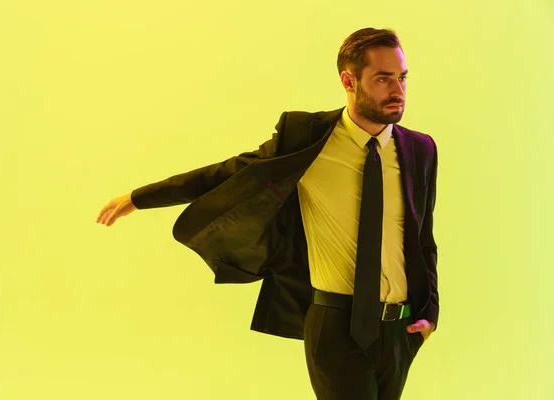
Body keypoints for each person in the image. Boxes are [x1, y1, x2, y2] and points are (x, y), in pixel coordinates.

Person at [96, 27, 439, 400]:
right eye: (383, 78)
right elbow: (229, 172)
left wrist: (429, 315)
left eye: (402, 77)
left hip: (399, 330)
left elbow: (424, 240)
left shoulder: (420, 150)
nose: (398, 90)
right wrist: (139, 197)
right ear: (349, 81)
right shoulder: (307, 136)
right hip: (338, 325)